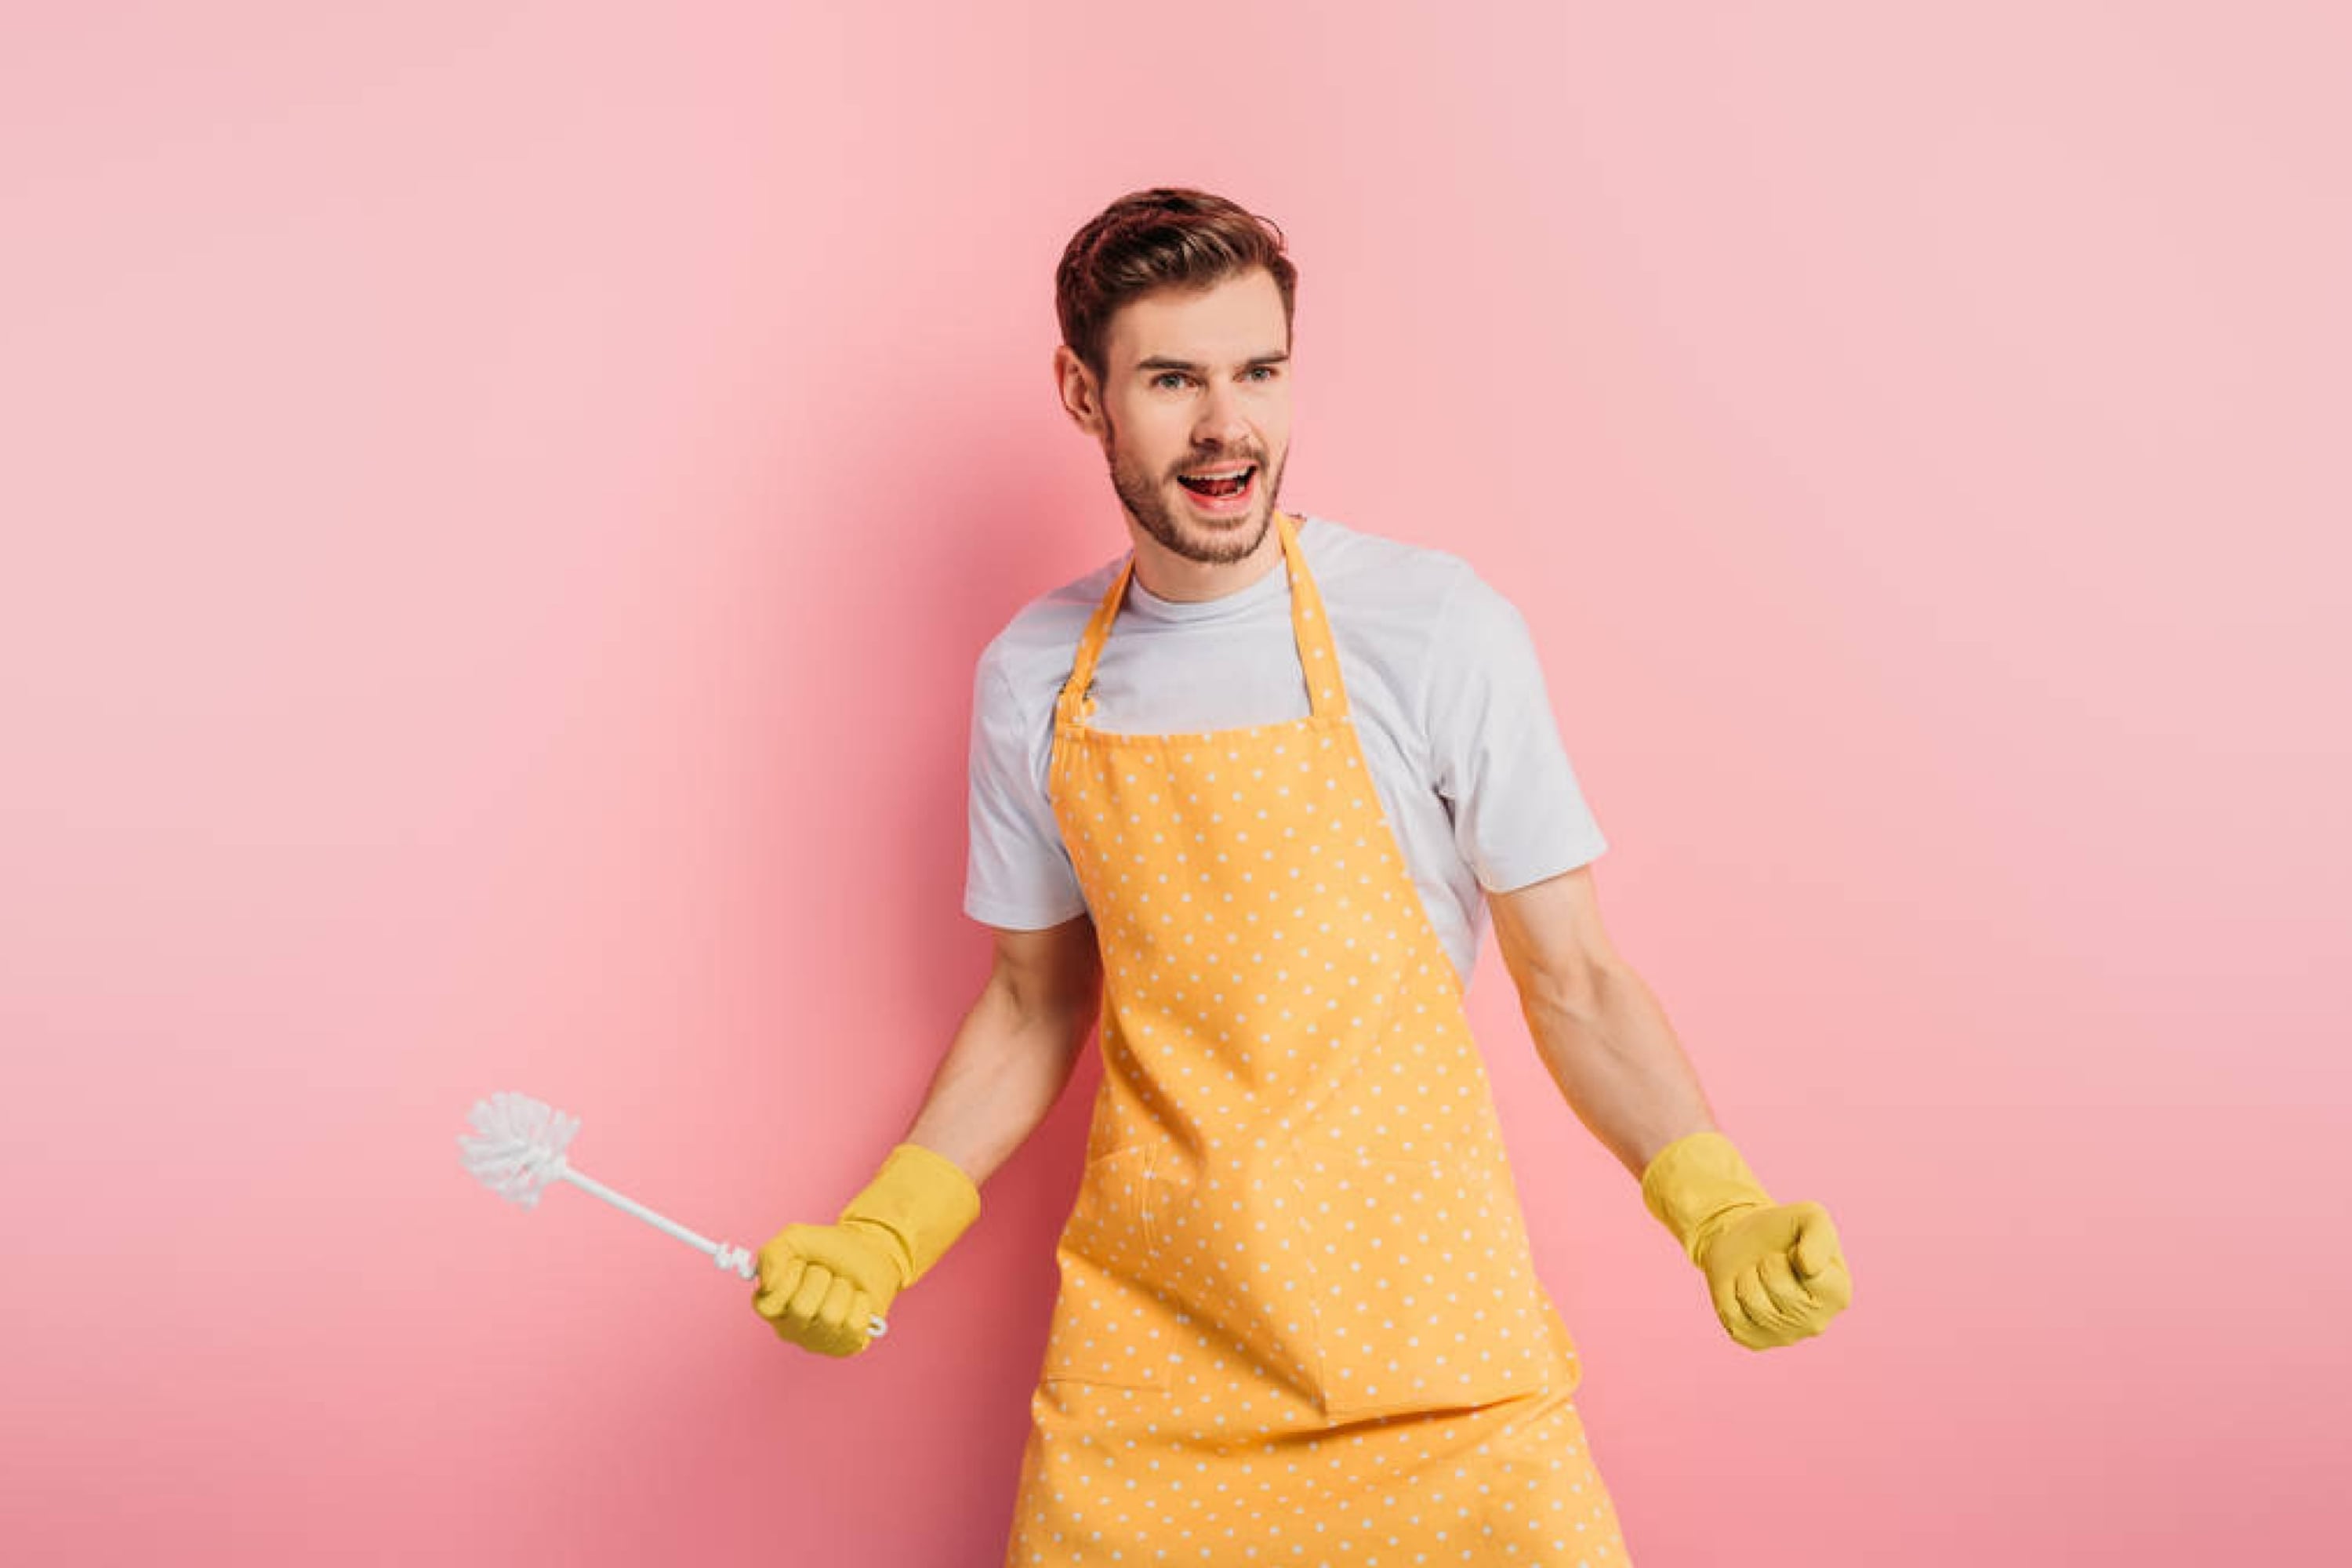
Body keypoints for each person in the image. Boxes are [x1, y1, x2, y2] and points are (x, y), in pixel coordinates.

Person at [750, 187, 1854, 1565]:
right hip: (1151, 1387)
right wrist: (884, 1230)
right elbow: (1036, 1004)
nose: (1229, 428)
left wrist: (1717, 1201)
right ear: (1082, 395)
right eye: (1172, 379)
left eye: (1259, 372)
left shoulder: (1434, 628)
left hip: (1443, 1369)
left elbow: (1568, 975)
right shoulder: (1036, 676)